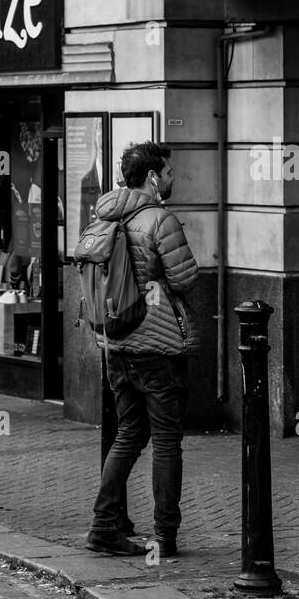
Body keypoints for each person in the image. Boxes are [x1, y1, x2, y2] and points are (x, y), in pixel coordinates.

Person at [86, 142, 198, 558]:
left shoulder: (103, 213)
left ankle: (103, 525)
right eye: (168, 171)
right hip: (157, 343)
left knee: (129, 434)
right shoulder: (159, 219)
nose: (172, 178)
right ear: (152, 177)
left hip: (115, 342)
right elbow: (185, 279)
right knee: (167, 440)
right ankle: (165, 536)